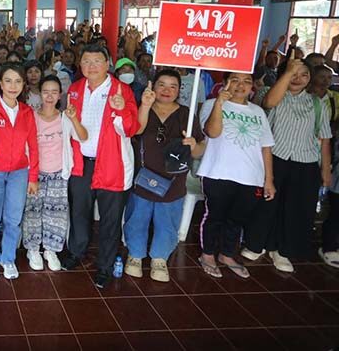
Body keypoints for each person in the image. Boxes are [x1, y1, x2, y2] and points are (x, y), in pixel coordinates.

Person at [242, 54, 331, 272]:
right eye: (293, 74)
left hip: (305, 162)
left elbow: (324, 139)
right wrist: (289, 71)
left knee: (296, 209)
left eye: (304, 75)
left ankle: (282, 250)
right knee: (267, 204)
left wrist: (325, 170)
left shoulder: (317, 103)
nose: (298, 78)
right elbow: (269, 103)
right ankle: (257, 244)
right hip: (275, 158)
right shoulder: (272, 94)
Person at [62, 44, 140, 289]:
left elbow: (131, 129)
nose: (91, 66)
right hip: (81, 164)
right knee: (79, 212)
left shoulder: (122, 90)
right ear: (80, 64)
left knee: (110, 219)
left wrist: (121, 110)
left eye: (97, 61)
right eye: (86, 61)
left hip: (112, 164)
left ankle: (105, 266)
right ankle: (76, 252)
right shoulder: (75, 89)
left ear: (108, 64)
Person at [124, 70, 206, 282]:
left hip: (173, 181)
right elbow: (135, 131)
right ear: (153, 86)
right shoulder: (143, 107)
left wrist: (194, 145)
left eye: (173, 86)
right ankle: (135, 255)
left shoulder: (186, 114)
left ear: (179, 90)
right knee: (137, 216)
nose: (167, 90)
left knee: (167, 220)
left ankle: (160, 258)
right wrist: (145, 105)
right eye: (162, 84)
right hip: (143, 176)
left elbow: (200, 150)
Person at [197, 73, 275, 279]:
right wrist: (220, 103)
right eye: (235, 80)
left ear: (252, 86)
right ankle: (207, 254)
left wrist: (269, 179)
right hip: (218, 172)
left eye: (247, 81)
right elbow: (212, 132)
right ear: (224, 83)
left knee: (237, 219)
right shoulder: (211, 104)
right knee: (214, 216)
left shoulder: (258, 111)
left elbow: (266, 147)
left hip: (251, 176)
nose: (241, 85)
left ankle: (227, 254)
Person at [0, 63, 39, 280]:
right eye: (8, 81)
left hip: (19, 173)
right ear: (0, 84)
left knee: (13, 219)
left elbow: (33, 147)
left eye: (18, 81)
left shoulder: (27, 112)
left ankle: (8, 258)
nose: (13, 86)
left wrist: (33, 177)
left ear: (23, 85)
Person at [23, 75, 87, 271]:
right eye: (45, 92)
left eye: (54, 92)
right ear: (39, 94)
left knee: (56, 213)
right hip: (35, 173)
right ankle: (33, 249)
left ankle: (51, 250)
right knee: (33, 211)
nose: (49, 96)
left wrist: (74, 118)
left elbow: (83, 137)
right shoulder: (31, 116)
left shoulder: (65, 117)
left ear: (60, 95)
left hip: (59, 173)